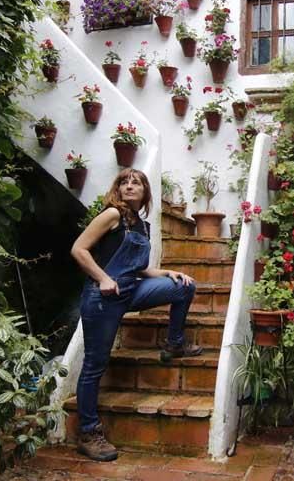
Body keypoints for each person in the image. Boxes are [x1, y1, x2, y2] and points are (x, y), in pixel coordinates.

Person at [70, 168, 202, 462]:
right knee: (94, 364)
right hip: (103, 297)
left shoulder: (142, 225)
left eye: (137, 182)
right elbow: (79, 249)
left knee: (183, 287)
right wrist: (103, 278)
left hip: (130, 290)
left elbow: (138, 268)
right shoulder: (111, 215)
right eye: (124, 182)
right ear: (117, 189)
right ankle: (88, 432)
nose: (130, 186)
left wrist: (167, 271)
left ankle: (174, 344)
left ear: (145, 192)